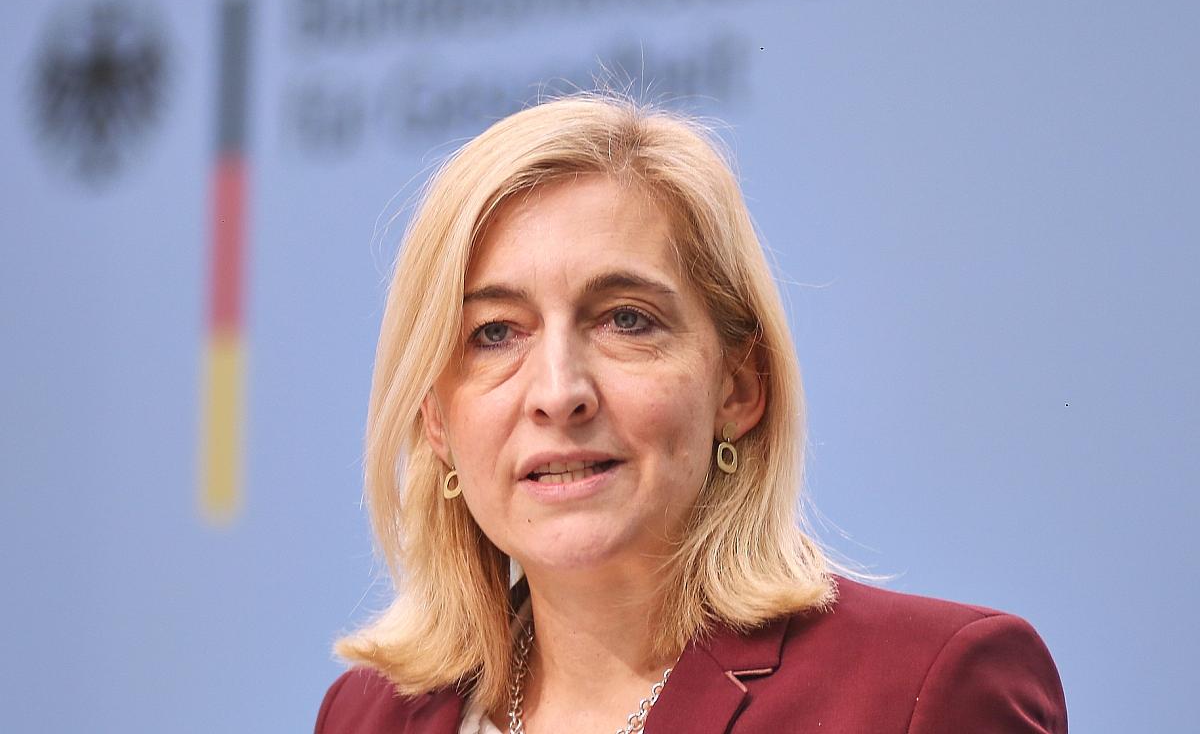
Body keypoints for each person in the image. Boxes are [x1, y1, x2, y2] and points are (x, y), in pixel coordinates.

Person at [315, 94, 1067, 733]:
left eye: (626, 320)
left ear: (738, 388)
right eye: (494, 334)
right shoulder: (368, 716)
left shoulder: (925, 690)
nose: (558, 391)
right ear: (435, 419)